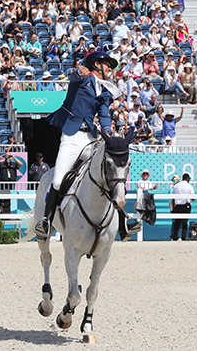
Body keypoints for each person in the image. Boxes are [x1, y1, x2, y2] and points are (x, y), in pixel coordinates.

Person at [35, 51, 140, 241]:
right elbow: (73, 78)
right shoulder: (83, 79)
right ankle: (46, 221)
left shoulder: (106, 90)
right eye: (107, 64)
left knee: (106, 175)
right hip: (72, 136)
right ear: (96, 65)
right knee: (58, 181)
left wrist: (107, 129)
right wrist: (78, 71)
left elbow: (104, 114)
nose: (110, 68)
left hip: (91, 138)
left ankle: (124, 220)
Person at [171, 173, 195, 241]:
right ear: (187, 179)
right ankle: (183, 237)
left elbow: (173, 198)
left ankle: (174, 237)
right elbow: (193, 198)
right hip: (186, 205)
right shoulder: (189, 186)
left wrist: (173, 207)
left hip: (178, 205)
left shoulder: (176, 186)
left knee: (177, 222)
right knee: (184, 222)